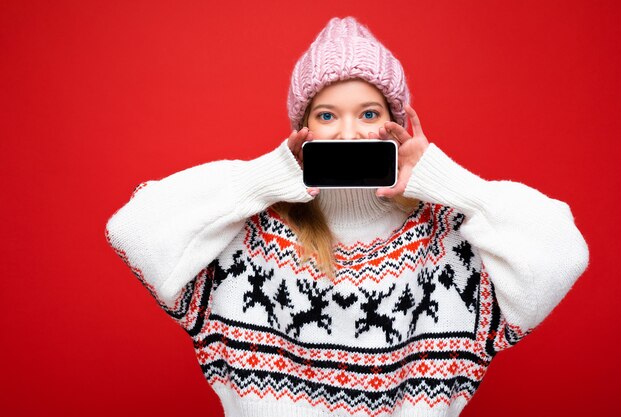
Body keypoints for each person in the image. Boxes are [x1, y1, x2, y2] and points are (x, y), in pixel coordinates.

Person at [105, 16, 589, 417]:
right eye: (327, 116)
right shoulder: (244, 243)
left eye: (370, 114)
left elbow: (563, 253)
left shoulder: (448, 244)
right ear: (302, 131)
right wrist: (266, 176)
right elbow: (132, 228)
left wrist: (448, 182)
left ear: (397, 126)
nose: (349, 133)